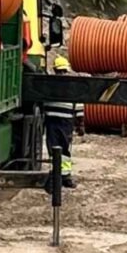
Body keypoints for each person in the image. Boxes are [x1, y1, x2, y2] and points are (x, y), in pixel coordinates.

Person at [44, 56, 84, 189]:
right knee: (56, 150)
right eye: (60, 71)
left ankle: (64, 176)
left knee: (62, 149)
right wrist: (80, 124)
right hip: (58, 121)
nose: (61, 74)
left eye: (62, 71)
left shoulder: (54, 85)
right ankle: (59, 177)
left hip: (60, 122)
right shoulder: (63, 85)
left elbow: (78, 106)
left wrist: (80, 124)